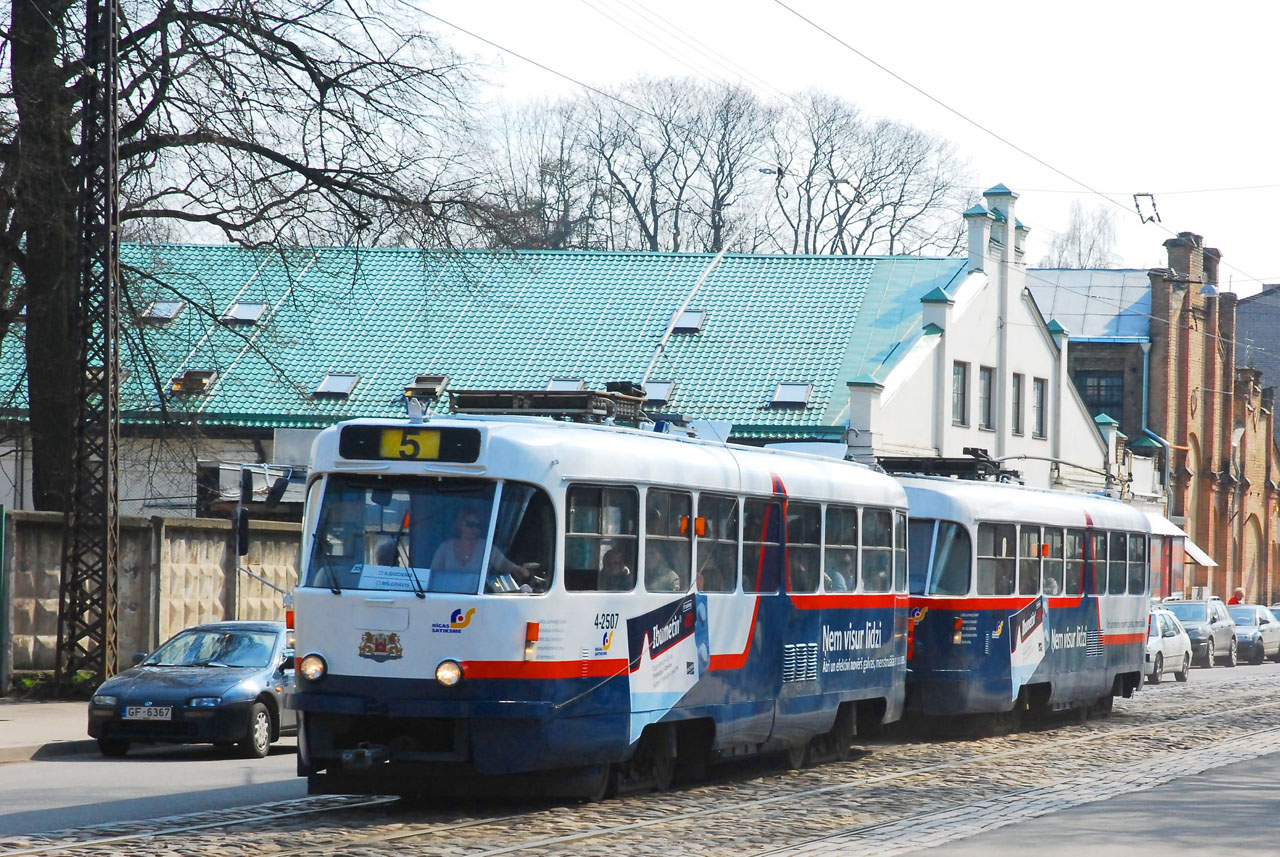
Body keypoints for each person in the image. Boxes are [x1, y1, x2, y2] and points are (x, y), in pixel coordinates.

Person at [431, 508, 533, 593]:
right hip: (447, 597)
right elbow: (433, 575)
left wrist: (521, 571)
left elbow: (507, 566)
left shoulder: (487, 548)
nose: (473, 529)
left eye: (478, 526)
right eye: (470, 524)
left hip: (477, 600)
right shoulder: (445, 547)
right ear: (460, 524)